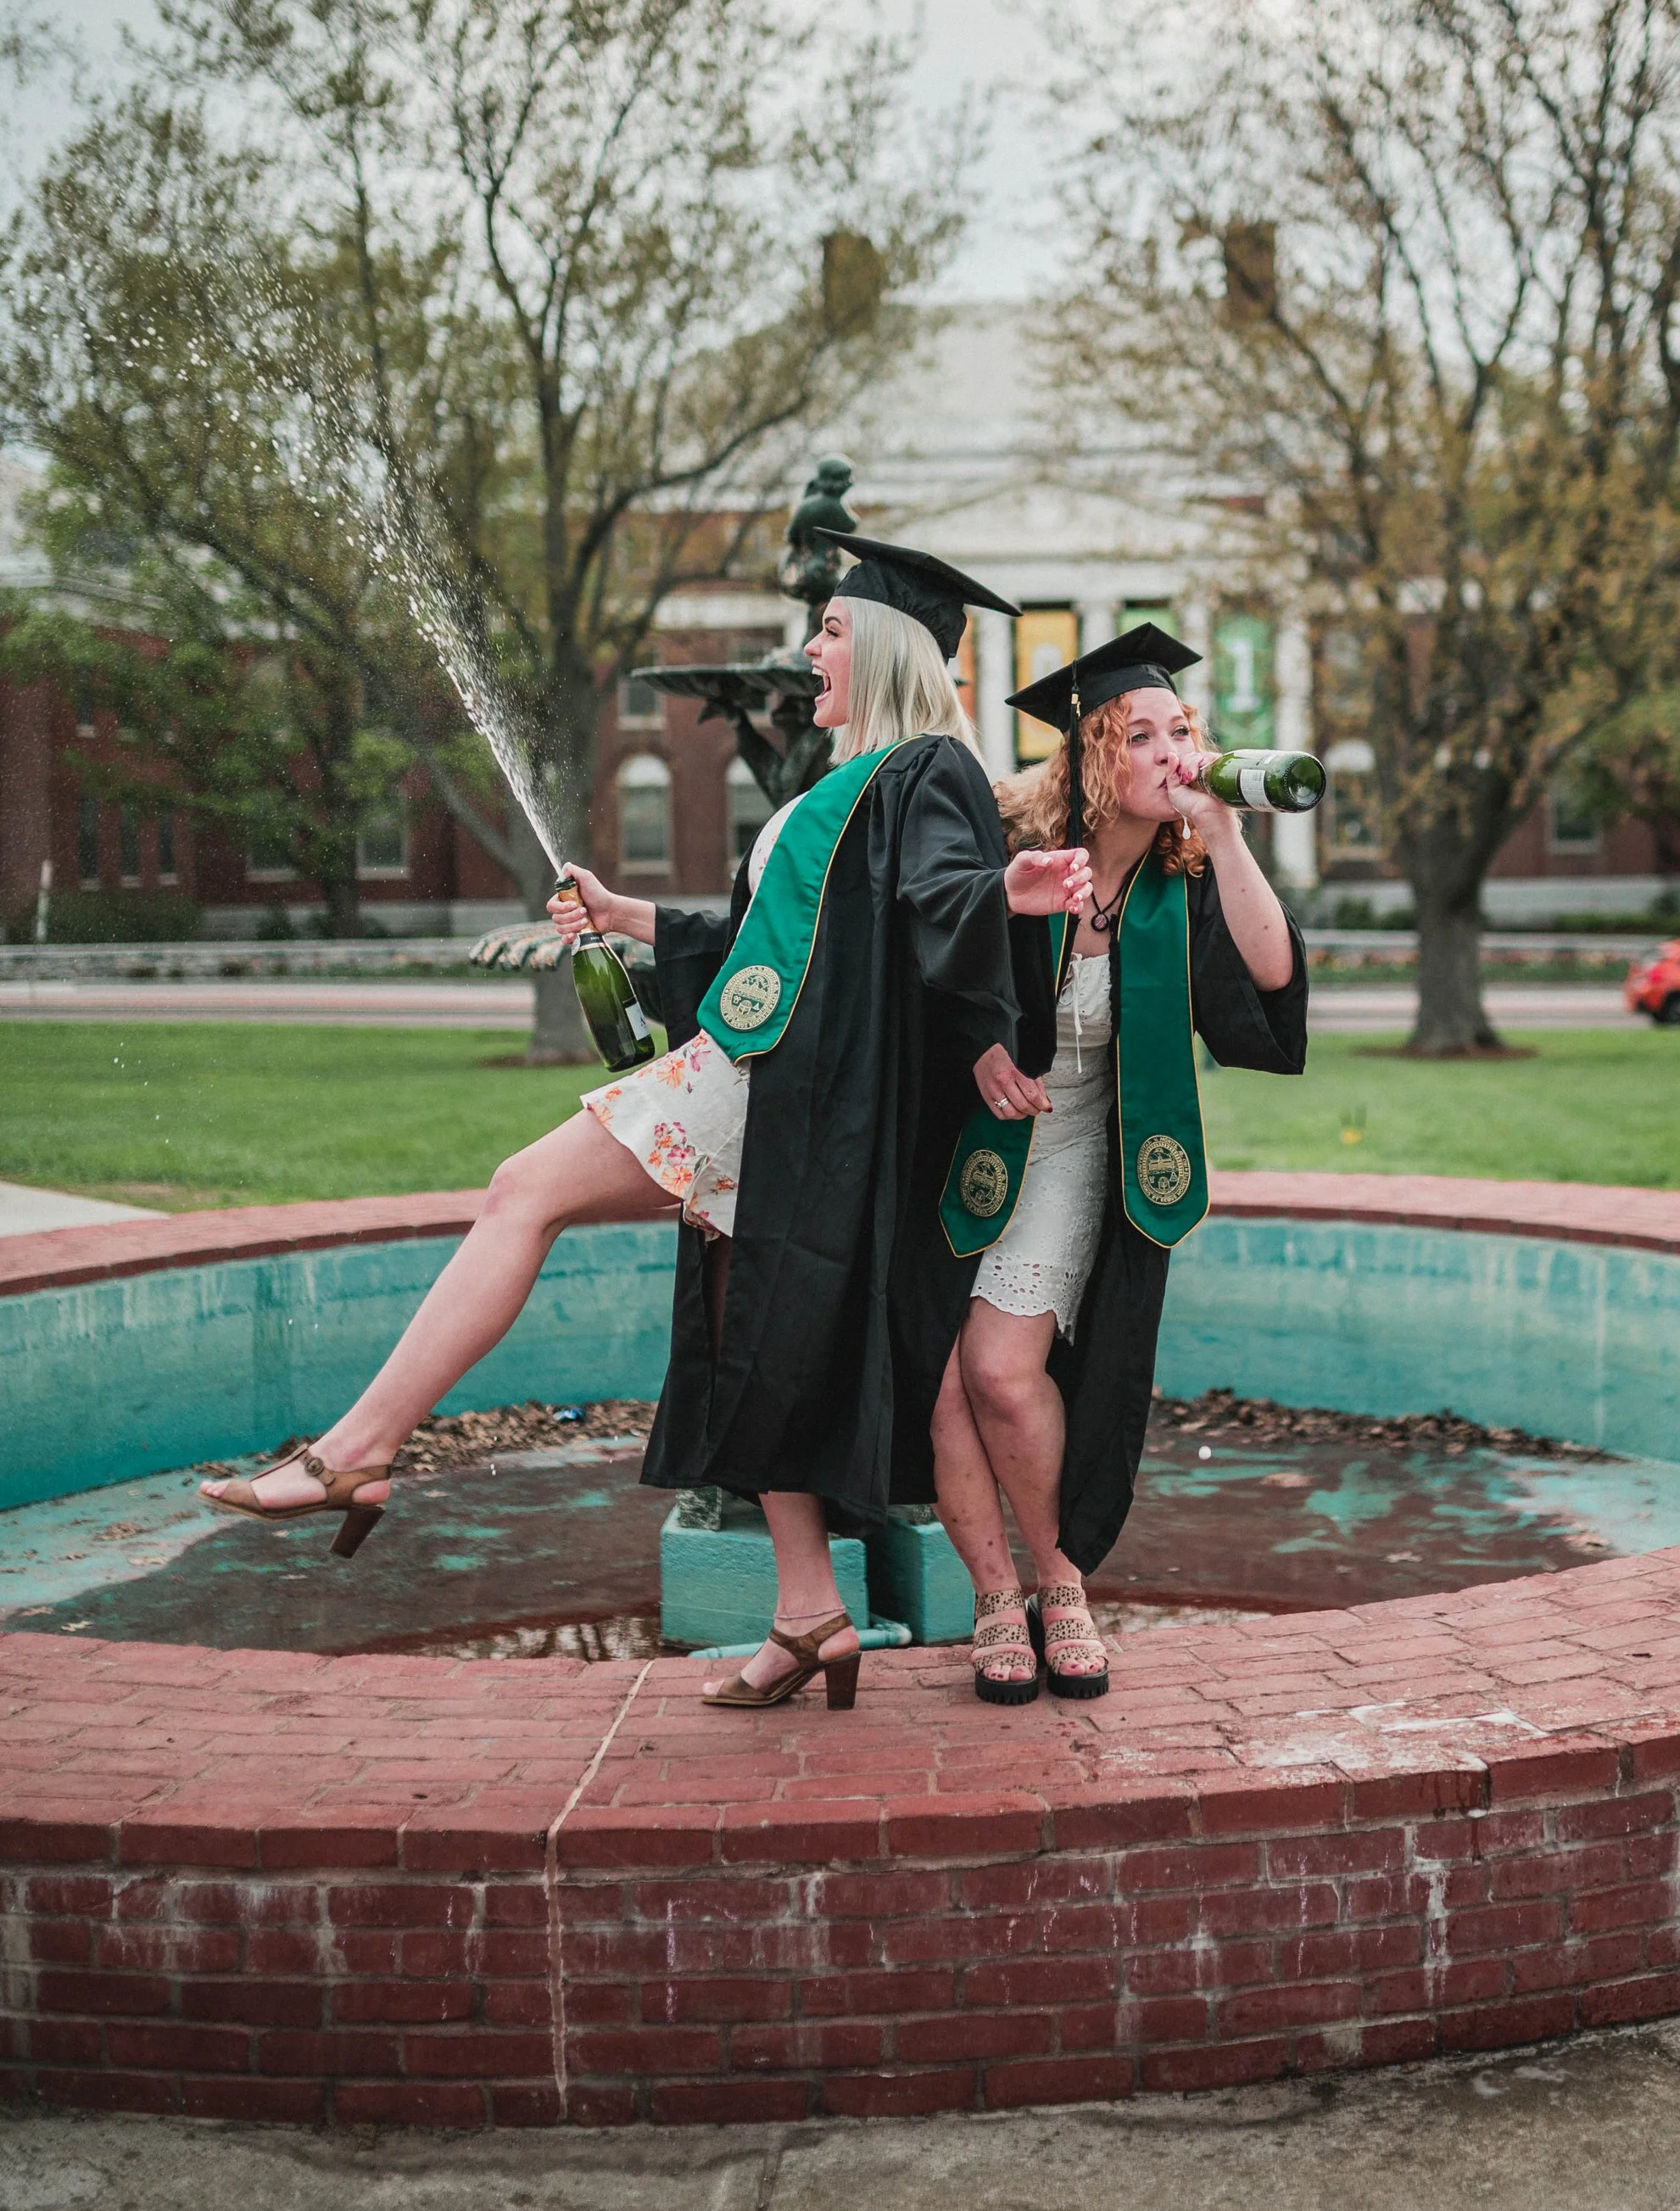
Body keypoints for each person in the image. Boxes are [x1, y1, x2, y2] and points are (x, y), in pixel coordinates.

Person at [203, 533, 1089, 1717]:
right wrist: (631, 916)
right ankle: (807, 1610)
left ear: (880, 644)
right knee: (740, 1331)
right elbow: (779, 953)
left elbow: (937, 905)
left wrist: (1004, 895)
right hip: (755, 1075)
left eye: (829, 629)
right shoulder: (844, 783)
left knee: (524, 1190)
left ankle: (359, 1449)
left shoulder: (929, 770)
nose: (809, 648)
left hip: (766, 1090)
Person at [925, 624, 1309, 1706]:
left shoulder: (1185, 875)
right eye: (1140, 733)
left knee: (997, 1370)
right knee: (941, 1382)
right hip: (954, 1135)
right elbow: (923, 957)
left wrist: (1227, 835)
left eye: (1180, 729)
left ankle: (1061, 1581)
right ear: (1092, 753)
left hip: (1078, 1147)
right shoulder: (1012, 844)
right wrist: (978, 1041)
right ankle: (996, 1597)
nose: (1169, 749)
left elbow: (1268, 982)